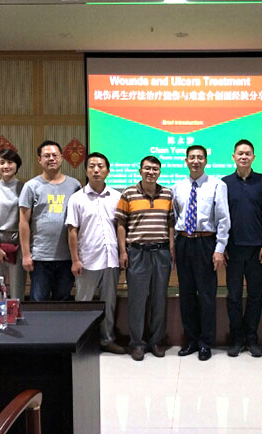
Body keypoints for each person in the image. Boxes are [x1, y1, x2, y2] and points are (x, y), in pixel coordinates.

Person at [172, 145, 230, 361]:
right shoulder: (177, 187)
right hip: (184, 242)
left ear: (206, 161)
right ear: (186, 161)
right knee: (186, 294)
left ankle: (206, 342)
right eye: (191, 157)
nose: (195, 161)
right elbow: (176, 216)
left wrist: (219, 249)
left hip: (206, 242)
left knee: (206, 295)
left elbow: (223, 219)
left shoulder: (218, 185)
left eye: (199, 157)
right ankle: (191, 340)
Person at [116, 156, 175, 361]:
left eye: (155, 169)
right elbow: (121, 224)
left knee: (159, 299)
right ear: (140, 170)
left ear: (160, 172)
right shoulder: (128, 193)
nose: (151, 172)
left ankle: (156, 341)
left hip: (161, 252)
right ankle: (137, 343)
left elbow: (170, 223)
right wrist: (123, 251)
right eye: (147, 169)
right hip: (137, 252)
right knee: (137, 301)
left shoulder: (167, 193)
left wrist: (172, 247)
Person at [66, 152, 124, 354]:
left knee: (109, 303)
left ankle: (107, 339)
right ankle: (82, 342)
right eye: (91, 166)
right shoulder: (77, 198)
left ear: (108, 170)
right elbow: (72, 231)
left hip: (111, 259)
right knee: (84, 303)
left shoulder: (117, 197)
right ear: (86, 171)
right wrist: (75, 260)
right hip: (87, 260)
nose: (96, 170)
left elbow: (120, 227)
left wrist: (122, 253)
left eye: (100, 166)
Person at [221, 139, 262, 358]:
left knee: (255, 296)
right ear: (233, 157)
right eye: (240, 153)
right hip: (232, 248)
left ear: (253, 157)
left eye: (248, 153)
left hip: (256, 248)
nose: (244, 157)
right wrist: (222, 245)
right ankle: (236, 338)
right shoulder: (224, 183)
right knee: (233, 296)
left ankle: (251, 337)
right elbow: (220, 217)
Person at [19, 140, 81, 301]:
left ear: (61, 158)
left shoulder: (74, 185)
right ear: (39, 160)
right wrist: (26, 255)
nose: (51, 158)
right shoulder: (31, 186)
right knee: (38, 301)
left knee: (63, 301)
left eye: (55, 155)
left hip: (67, 256)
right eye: (47, 156)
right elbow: (23, 222)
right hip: (40, 256)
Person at [0, 148, 26, 299]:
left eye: (10, 162)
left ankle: (17, 313)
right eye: (2, 162)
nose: (6, 166)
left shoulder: (25, 188)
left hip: (17, 242)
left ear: (17, 165)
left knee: (17, 289)